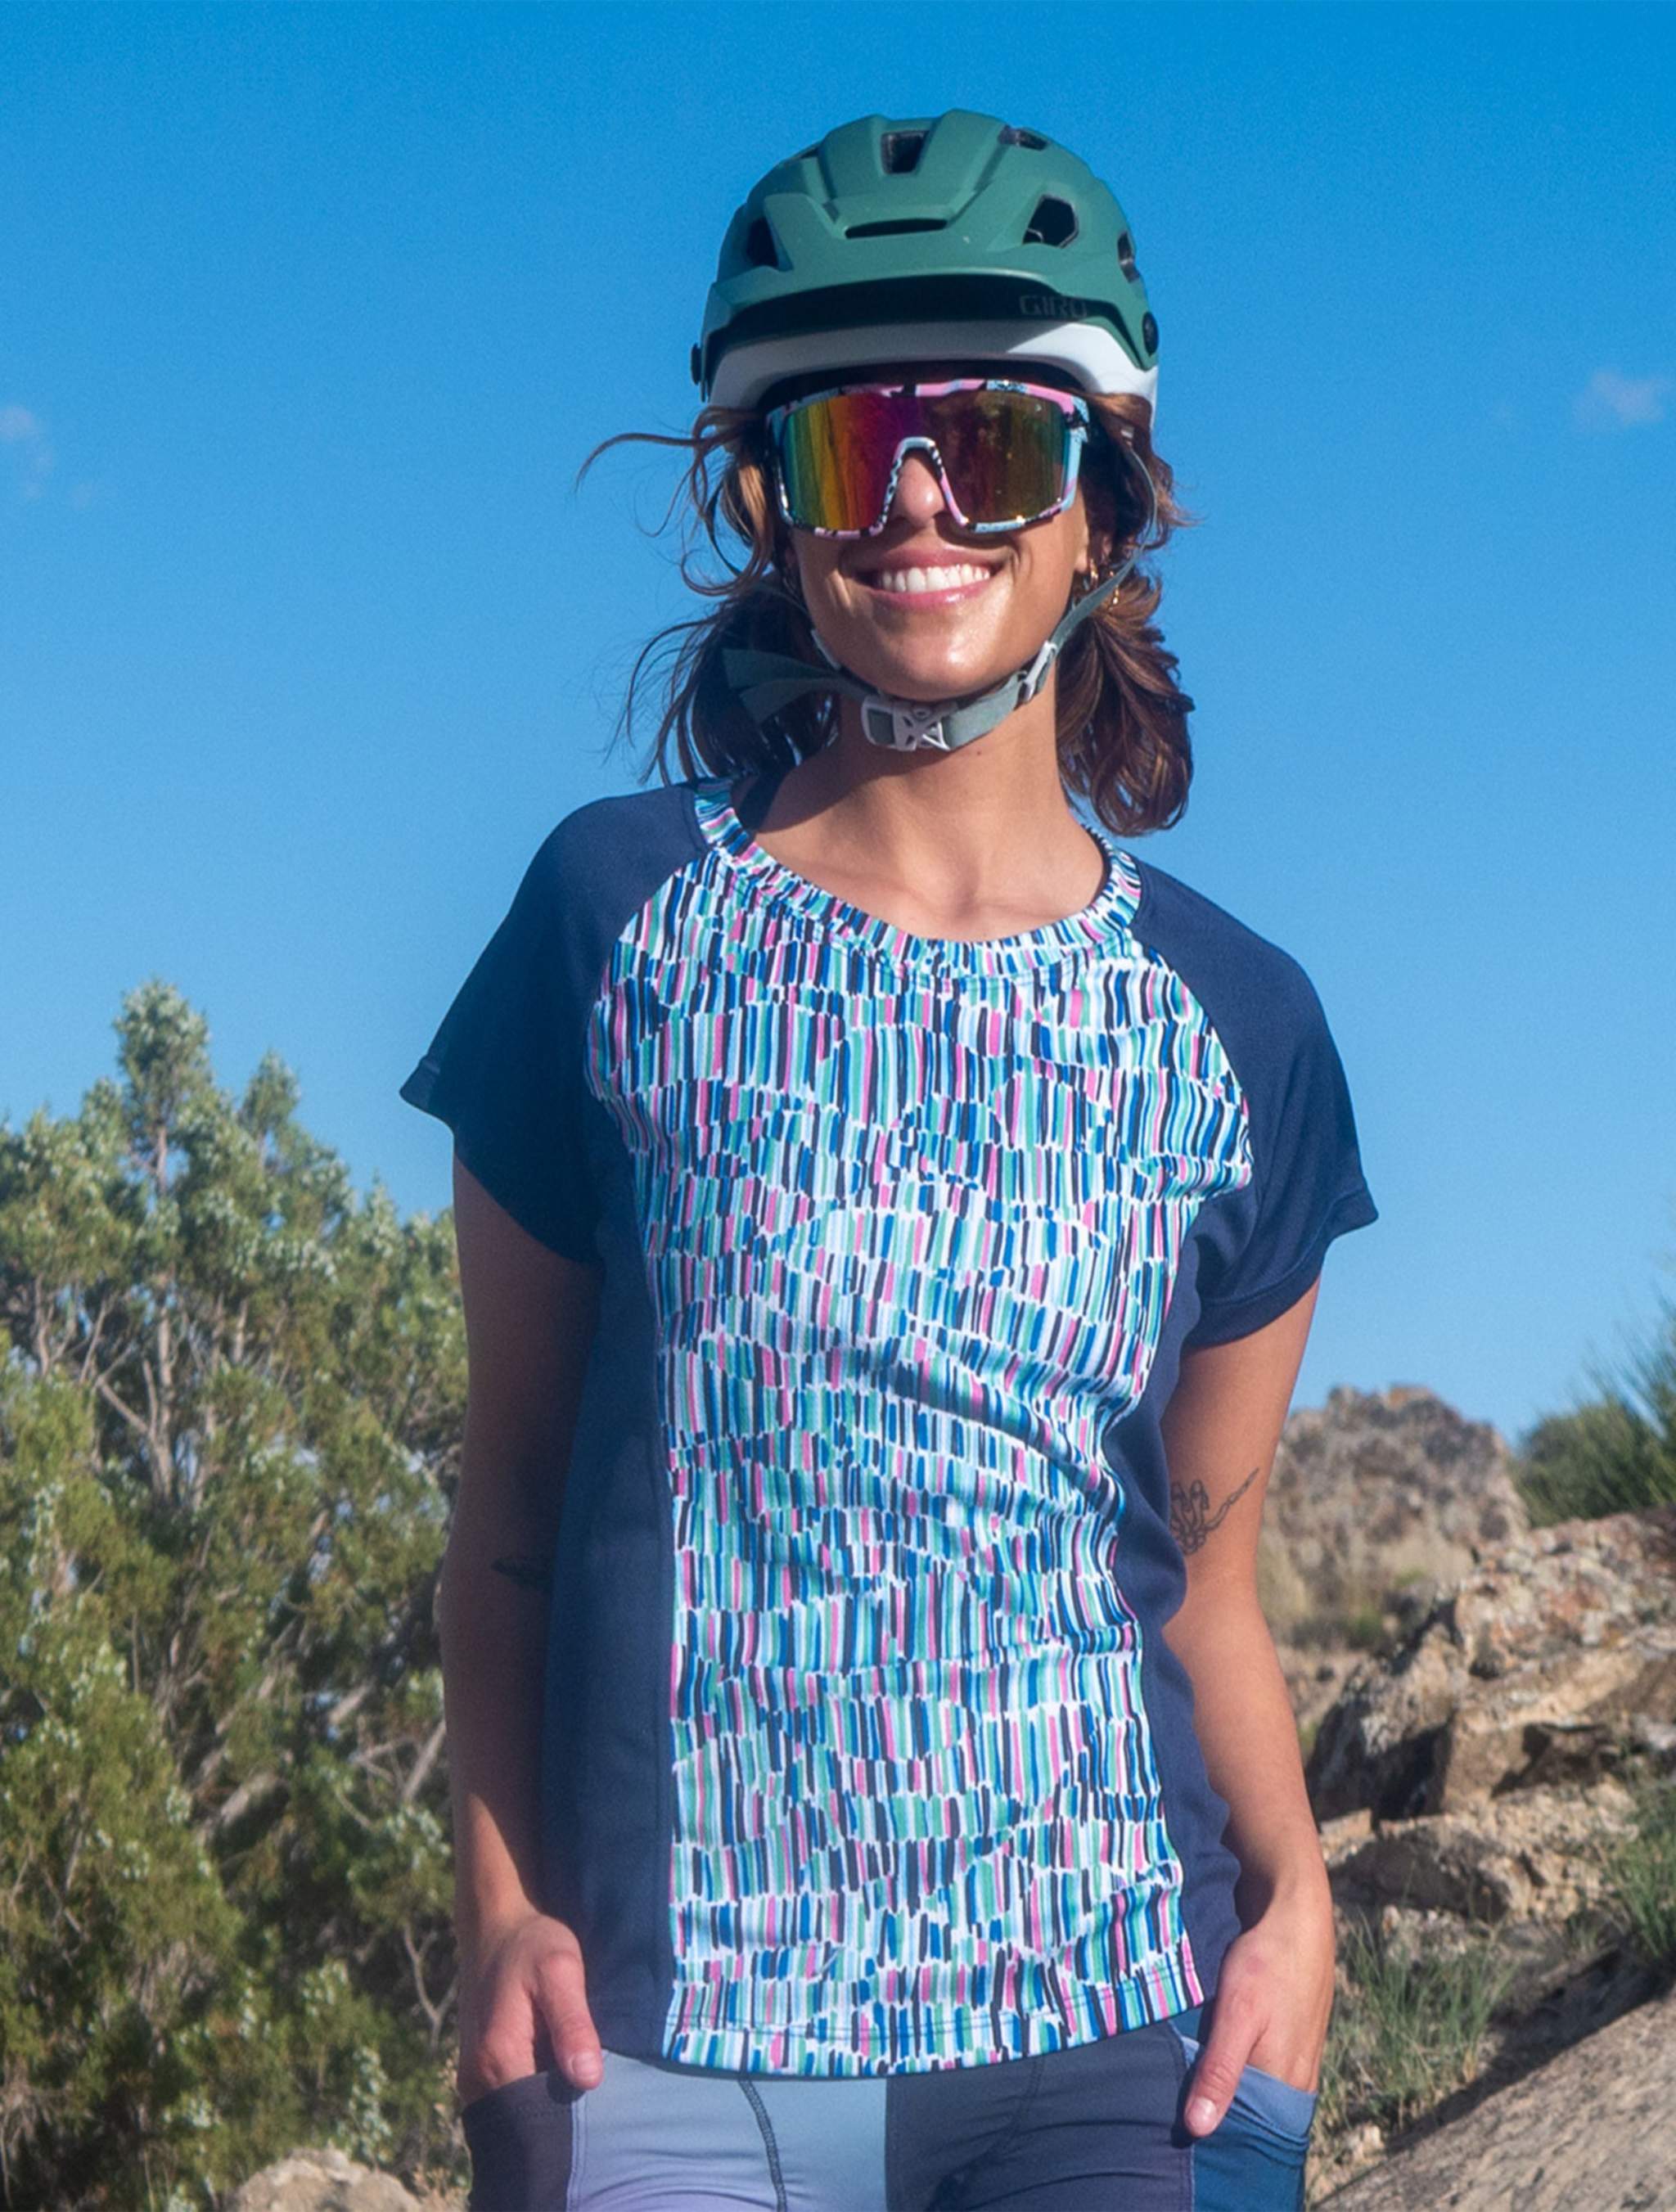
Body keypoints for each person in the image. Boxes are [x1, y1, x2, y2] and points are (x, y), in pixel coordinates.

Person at [399, 106, 1378, 2212]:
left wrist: (1292, 1900)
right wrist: (497, 1912)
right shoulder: (611, 921)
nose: (919, 499)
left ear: (1106, 495)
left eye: (991, 440)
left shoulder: (1243, 1028)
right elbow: (505, 1495)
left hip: (1123, 2037)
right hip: (665, 2040)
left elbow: (1202, 1575)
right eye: (850, 446)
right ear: (772, 503)